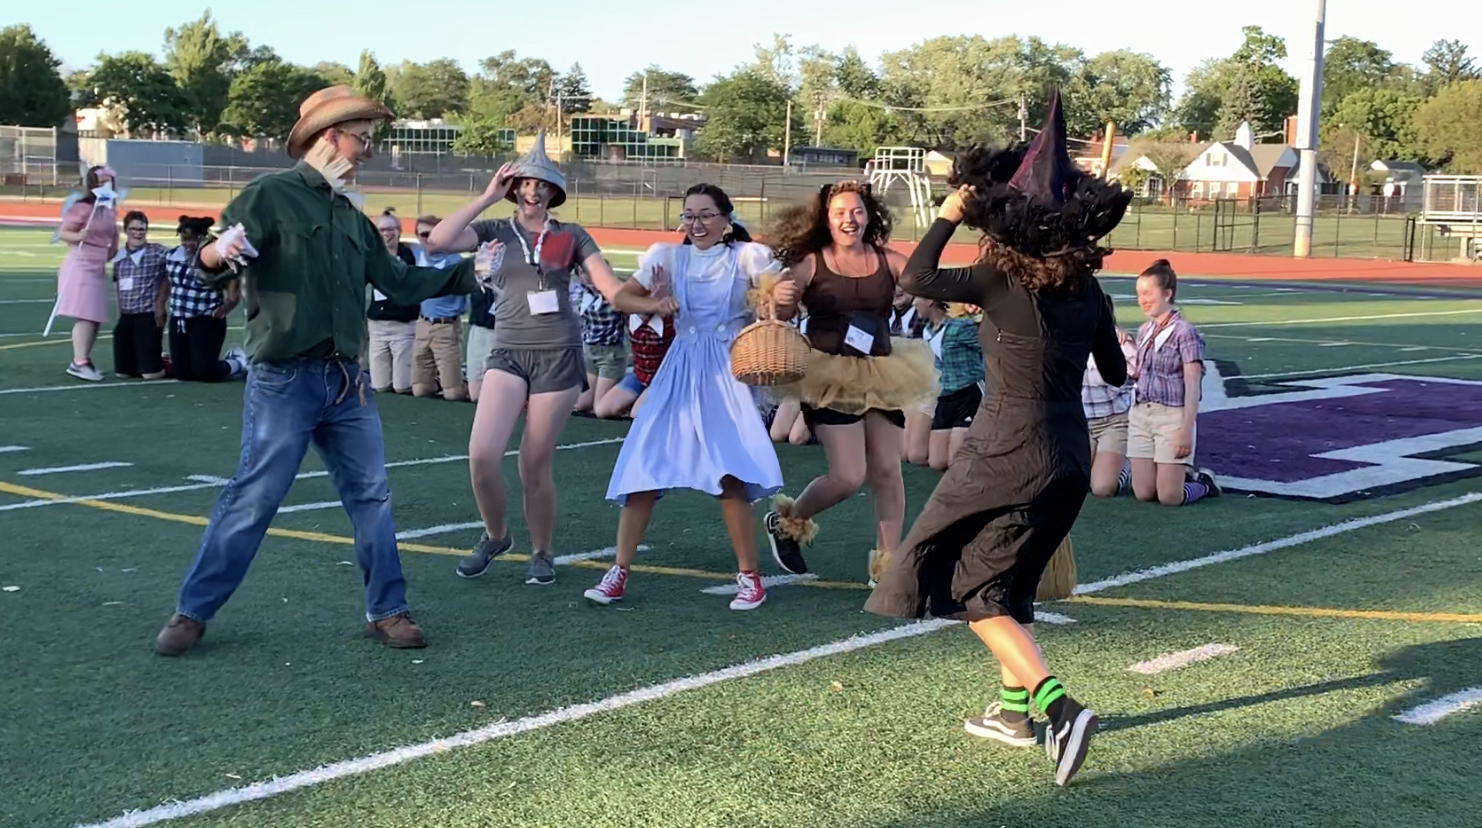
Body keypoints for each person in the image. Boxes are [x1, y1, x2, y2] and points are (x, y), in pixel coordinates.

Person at [153, 85, 488, 657]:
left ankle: (387, 610)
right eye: (364, 139)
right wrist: (217, 252)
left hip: (346, 382)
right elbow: (210, 261)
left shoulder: (350, 213)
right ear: (330, 136)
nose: (369, 151)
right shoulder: (269, 194)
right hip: (284, 380)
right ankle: (193, 611)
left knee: (371, 496)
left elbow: (398, 281)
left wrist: (468, 272)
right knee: (255, 496)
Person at [864, 91, 1131, 787]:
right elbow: (1115, 371)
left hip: (1007, 448)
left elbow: (915, 278)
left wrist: (950, 211)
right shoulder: (1089, 293)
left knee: (970, 587)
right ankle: (1012, 714)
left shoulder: (997, 279)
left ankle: (1059, 707)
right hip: (1069, 453)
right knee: (1007, 587)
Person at [426, 131, 626, 585]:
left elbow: (609, 286)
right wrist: (486, 197)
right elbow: (437, 241)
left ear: (554, 192)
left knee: (533, 462)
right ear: (514, 188)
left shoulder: (570, 235)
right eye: (526, 183)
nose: (533, 191)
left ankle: (541, 550)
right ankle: (496, 535)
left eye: (542, 184)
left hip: (557, 353)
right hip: (508, 351)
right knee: (482, 455)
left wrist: (647, 298)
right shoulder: (494, 230)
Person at [583, 184, 787, 610]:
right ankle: (618, 570)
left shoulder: (747, 256)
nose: (696, 224)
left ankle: (750, 577)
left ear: (726, 219)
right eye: (689, 216)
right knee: (643, 466)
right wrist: (654, 305)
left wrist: (780, 297)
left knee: (729, 473)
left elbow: (782, 303)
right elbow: (621, 298)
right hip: (679, 368)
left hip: (727, 373)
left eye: (706, 215)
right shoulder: (667, 256)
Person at [763, 180, 939, 586]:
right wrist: (781, 297)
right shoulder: (811, 263)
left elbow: (927, 281)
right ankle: (787, 521)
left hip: (881, 371)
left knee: (888, 471)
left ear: (869, 215)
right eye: (840, 212)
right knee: (847, 477)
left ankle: (888, 566)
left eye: (857, 211)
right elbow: (781, 313)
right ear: (826, 219)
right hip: (829, 375)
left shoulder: (888, 260)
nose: (850, 219)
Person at [1128, 259, 1220, 505]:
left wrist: (1186, 429)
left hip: (1171, 416)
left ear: (1167, 294)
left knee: (1170, 497)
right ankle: (1178, 474)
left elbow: (1192, 384)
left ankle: (1203, 483)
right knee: (1144, 493)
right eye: (1139, 294)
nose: (1142, 300)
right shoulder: (1144, 330)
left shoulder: (1184, 332)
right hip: (1141, 414)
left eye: (1148, 293)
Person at [54, 165, 119, 382]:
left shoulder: (108, 208)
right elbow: (64, 232)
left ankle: (83, 359)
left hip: (97, 266)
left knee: (95, 316)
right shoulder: (82, 207)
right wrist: (78, 235)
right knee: (86, 315)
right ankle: (79, 362)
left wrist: (113, 250)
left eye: (108, 182)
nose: (106, 185)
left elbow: (111, 236)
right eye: (101, 182)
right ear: (93, 184)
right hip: (80, 265)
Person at [165, 216, 247, 383]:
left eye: (192, 239)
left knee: (205, 372)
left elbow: (233, 286)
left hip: (206, 318)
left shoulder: (214, 258)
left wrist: (226, 307)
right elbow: (166, 282)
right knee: (183, 374)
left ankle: (238, 362)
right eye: (184, 239)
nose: (188, 243)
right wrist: (160, 305)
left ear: (202, 237)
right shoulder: (173, 256)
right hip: (179, 319)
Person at [915, 297, 985, 471]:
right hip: (944, 397)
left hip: (967, 394)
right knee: (937, 462)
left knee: (957, 459)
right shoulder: (927, 331)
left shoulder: (961, 327)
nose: (914, 304)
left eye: (917, 300)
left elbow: (987, 348)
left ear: (930, 302)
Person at [410, 214, 470, 401]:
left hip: (446, 326)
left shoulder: (455, 262)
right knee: (420, 390)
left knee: (453, 394)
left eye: (434, 234)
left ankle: (468, 383)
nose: (428, 239)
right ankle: (440, 379)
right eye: (423, 234)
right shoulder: (417, 254)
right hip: (423, 324)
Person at [110, 210, 171, 379]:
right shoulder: (119, 256)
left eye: (141, 229)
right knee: (123, 373)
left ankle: (172, 364)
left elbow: (176, 265)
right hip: (126, 317)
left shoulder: (157, 252)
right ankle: (157, 358)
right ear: (126, 231)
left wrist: (161, 304)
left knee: (150, 375)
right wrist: (119, 316)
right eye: (133, 229)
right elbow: (117, 286)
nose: (137, 233)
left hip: (148, 316)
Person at [366, 209, 420, 394]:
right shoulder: (371, 256)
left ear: (399, 231)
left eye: (391, 229)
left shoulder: (412, 255)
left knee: (402, 386)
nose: (387, 234)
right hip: (377, 326)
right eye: (382, 230)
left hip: (403, 326)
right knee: (380, 386)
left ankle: (430, 377)